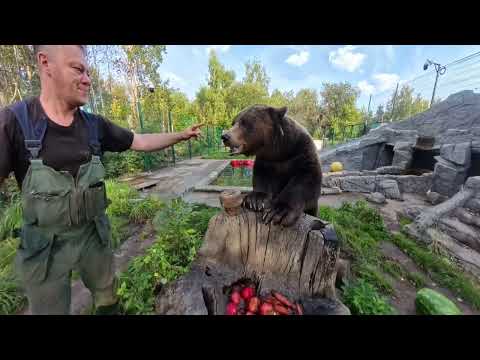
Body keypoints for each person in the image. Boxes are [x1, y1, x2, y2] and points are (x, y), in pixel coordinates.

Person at [0, 45, 203, 315]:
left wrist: (180, 135)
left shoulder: (94, 125)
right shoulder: (14, 122)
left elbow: (139, 141)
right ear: (45, 63)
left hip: (92, 237)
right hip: (43, 248)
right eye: (78, 69)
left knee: (108, 297)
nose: (87, 79)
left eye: (88, 71)